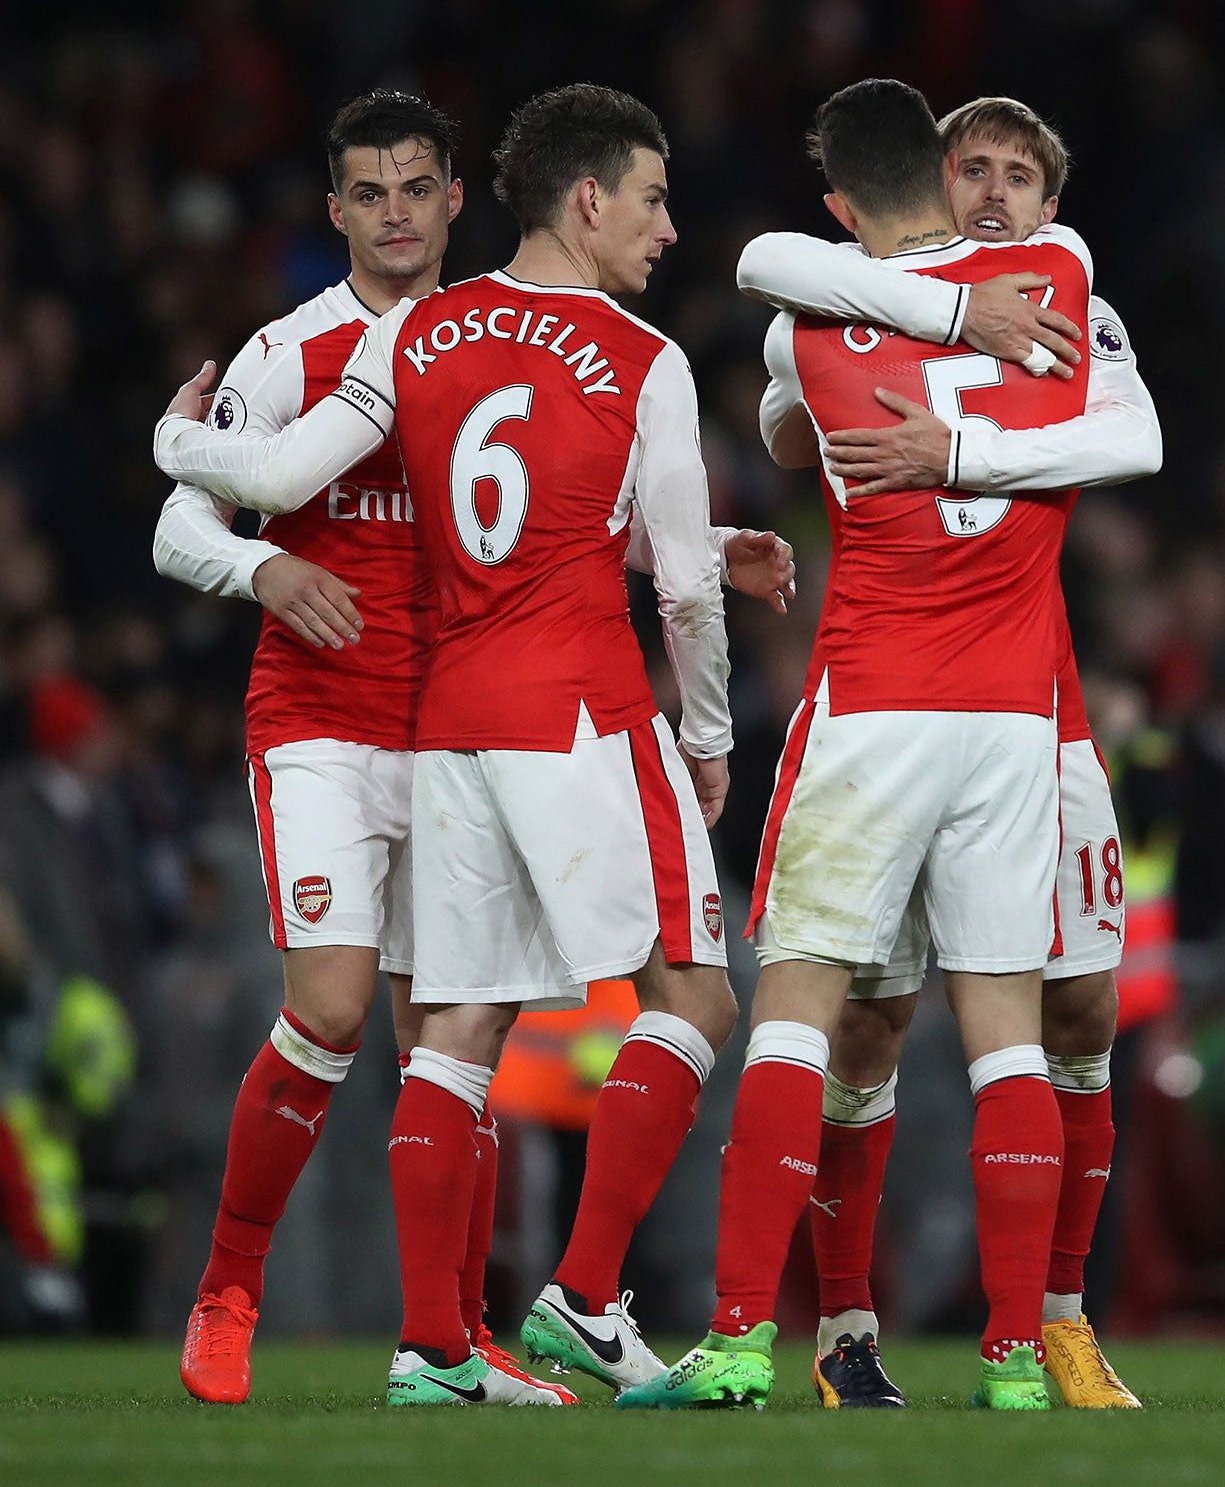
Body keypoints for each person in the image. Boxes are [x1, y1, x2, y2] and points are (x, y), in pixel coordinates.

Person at [152, 83, 778, 1406]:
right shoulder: (300, 351)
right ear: (336, 212)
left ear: (453, 198)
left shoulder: (438, 338)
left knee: (455, 1027)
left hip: (448, 713)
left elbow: (549, 515)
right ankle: (235, 1287)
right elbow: (188, 519)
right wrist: (260, 577)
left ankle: (444, 1336)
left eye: (414, 187)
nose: (393, 213)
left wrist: (714, 548)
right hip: (346, 718)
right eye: (366, 193)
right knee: (342, 1012)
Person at [618, 78, 1091, 1414]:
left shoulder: (810, 320)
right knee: (1002, 1037)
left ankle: (730, 1344)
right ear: (953, 187)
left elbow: (769, 318)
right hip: (1010, 721)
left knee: (797, 1019)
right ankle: (1010, 1364)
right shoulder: (1048, 297)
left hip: (874, 706)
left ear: (838, 206)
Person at [730, 94, 1159, 1409]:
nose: (990, 191)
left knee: (1074, 1009)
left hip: (1033, 709)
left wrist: (946, 441)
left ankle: (1053, 1318)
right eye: (968, 167)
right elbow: (782, 401)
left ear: (1051, 197)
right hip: (982, 706)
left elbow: (1133, 439)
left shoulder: (1075, 297)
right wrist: (949, 321)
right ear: (932, 176)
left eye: (1018, 173)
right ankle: (849, 1328)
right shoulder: (964, 297)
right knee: (884, 1024)